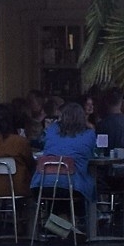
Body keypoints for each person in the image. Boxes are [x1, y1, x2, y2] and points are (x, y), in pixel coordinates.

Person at [31, 100, 98, 237]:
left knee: (59, 189)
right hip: (73, 186)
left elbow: (42, 144)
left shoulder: (52, 130)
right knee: (84, 185)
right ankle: (78, 228)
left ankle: (60, 226)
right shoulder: (89, 134)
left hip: (43, 183)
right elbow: (90, 154)